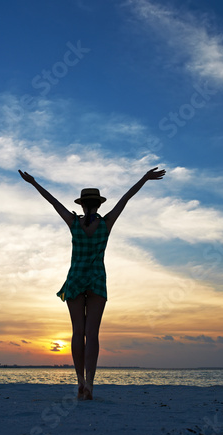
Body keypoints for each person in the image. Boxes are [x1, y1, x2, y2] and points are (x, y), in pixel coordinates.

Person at [18, 166, 166, 400]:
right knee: (92, 334)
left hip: (75, 279)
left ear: (81, 205)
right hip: (97, 279)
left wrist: (34, 183)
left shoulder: (74, 223)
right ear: (98, 205)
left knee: (78, 333)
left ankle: (79, 382)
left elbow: (53, 202)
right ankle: (90, 384)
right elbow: (126, 198)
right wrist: (145, 178)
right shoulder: (106, 223)